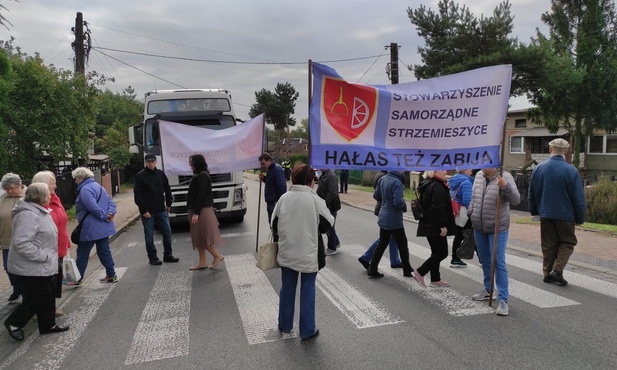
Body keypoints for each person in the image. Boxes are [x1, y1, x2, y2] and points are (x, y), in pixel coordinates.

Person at [271, 164, 334, 340]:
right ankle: (307, 330)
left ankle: (285, 325)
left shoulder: (284, 198)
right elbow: (327, 224)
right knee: (308, 289)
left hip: (287, 251)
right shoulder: (315, 201)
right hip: (309, 253)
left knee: (287, 288)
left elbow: (273, 225)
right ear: (310, 181)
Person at [4, 183, 69, 341]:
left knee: (47, 294)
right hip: (31, 266)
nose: (50, 195)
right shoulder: (28, 214)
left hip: (41, 264)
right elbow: (21, 243)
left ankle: (48, 324)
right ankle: (13, 322)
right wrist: (44, 256)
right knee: (38, 296)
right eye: (48, 193)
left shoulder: (38, 210)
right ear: (39, 197)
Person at [529, 138, 586, 286]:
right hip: (565, 214)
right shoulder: (571, 171)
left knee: (548, 244)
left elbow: (532, 193)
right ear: (566, 151)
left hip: (545, 213)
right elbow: (578, 197)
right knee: (568, 242)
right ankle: (558, 270)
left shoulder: (538, 169)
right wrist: (580, 217)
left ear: (550, 150)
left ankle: (547, 273)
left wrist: (535, 211)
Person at [468, 167, 520, 316]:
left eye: (487, 162)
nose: (483, 166)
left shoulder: (505, 176)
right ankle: (488, 289)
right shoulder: (479, 175)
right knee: (485, 260)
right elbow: (474, 196)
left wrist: (505, 187)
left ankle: (503, 299)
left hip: (498, 227)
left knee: (498, 261)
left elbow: (516, 199)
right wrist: (472, 213)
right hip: (479, 226)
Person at [71, 167, 118, 285]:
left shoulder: (85, 190)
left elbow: (92, 207)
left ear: (81, 178)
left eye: (75, 178)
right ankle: (111, 275)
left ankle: (78, 278)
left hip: (91, 228)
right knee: (104, 251)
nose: (75, 181)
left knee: (82, 253)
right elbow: (110, 202)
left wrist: (104, 216)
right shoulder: (99, 187)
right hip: (104, 227)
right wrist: (110, 213)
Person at [31, 171, 69, 317]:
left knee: (55, 281)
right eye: (53, 182)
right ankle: (43, 312)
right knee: (47, 283)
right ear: (44, 184)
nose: (56, 185)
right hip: (47, 249)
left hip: (59, 245)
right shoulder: (40, 202)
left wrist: (66, 240)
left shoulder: (55, 198)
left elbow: (61, 220)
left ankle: (50, 310)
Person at [367, 171, 416, 280]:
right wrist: (403, 202)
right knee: (402, 244)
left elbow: (376, 195)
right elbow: (398, 202)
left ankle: (372, 268)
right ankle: (407, 269)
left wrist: (385, 200)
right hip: (394, 218)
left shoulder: (383, 179)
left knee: (382, 243)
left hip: (383, 214)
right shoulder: (397, 182)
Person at [134, 153, 179, 265]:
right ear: (145, 162)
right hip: (148, 211)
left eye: (152, 161)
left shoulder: (160, 174)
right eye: (148, 162)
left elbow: (167, 189)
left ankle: (168, 254)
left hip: (161, 209)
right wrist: (144, 210)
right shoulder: (140, 176)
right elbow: (138, 195)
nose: (151, 163)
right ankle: (152, 257)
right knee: (149, 236)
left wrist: (168, 204)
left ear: (156, 162)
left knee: (167, 232)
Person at [415, 170, 456, 287]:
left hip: (429, 224)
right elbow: (439, 208)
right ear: (434, 172)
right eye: (442, 169)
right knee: (442, 253)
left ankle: (435, 279)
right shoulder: (437, 186)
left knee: (436, 252)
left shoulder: (427, 184)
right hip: (436, 225)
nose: (445, 171)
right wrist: (443, 226)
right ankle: (420, 272)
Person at [187, 154, 224, 270]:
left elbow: (202, 195)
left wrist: (196, 213)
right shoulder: (199, 175)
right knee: (199, 238)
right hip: (198, 209)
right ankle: (202, 262)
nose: (190, 164)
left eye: (191, 162)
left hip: (201, 211)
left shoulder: (202, 176)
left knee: (203, 237)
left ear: (197, 163)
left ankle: (217, 255)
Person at [358, 171, 402, 269]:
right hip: (388, 211)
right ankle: (366, 257)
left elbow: (376, 195)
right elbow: (390, 198)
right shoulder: (387, 177)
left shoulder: (381, 174)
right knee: (385, 238)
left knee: (391, 237)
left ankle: (395, 260)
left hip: (383, 209)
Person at [0, 173, 26, 303]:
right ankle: (17, 290)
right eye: (7, 189)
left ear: (19, 185)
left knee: (24, 267)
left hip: (25, 240)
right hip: (7, 239)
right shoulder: (2, 198)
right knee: (8, 267)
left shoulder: (28, 196)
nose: (10, 191)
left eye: (12, 188)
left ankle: (26, 291)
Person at [448, 168, 475, 267]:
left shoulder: (454, 180)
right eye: (469, 170)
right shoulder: (466, 182)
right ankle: (483, 259)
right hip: (465, 214)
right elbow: (468, 201)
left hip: (457, 213)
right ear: (464, 170)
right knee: (471, 235)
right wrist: (473, 213)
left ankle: (455, 258)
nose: (471, 172)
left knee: (459, 236)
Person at [317, 168, 342, 255]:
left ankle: (332, 247)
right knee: (329, 225)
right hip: (325, 205)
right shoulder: (323, 175)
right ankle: (336, 242)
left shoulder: (331, 176)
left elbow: (333, 192)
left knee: (328, 226)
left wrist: (324, 203)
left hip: (331, 205)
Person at [258, 153, 287, 223]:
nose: (262, 166)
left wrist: (276, 200)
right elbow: (271, 183)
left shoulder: (277, 169)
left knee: (275, 224)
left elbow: (282, 188)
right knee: (272, 224)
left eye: (263, 163)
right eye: (261, 164)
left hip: (274, 203)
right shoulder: (270, 170)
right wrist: (264, 178)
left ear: (269, 160)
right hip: (270, 202)